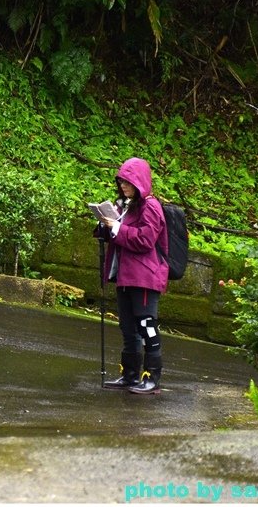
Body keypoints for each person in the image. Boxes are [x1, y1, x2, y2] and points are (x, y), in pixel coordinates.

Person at [94, 157, 169, 395]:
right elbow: (119, 234)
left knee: (146, 325)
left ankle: (152, 377)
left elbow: (146, 239)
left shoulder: (151, 206)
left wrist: (116, 228)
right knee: (128, 328)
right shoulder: (127, 205)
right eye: (120, 182)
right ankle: (130, 375)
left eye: (128, 182)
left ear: (140, 182)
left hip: (145, 276)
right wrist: (106, 225)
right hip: (125, 275)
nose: (123, 186)